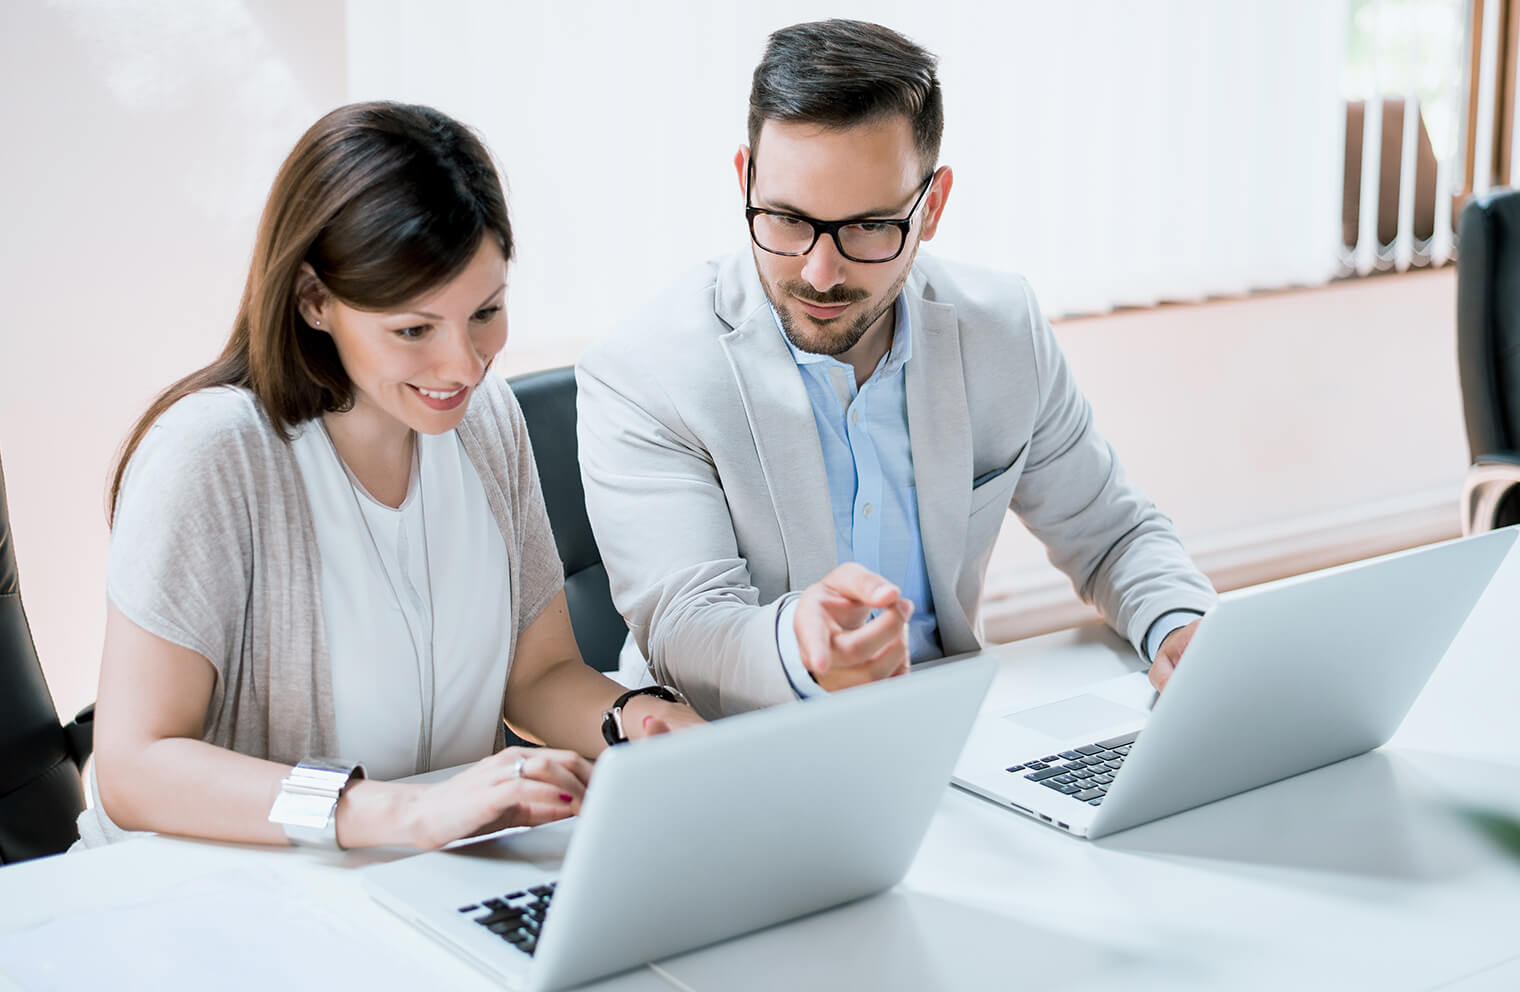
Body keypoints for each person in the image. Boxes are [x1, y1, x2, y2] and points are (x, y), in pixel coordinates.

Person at [84, 102, 701, 852]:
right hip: (218, 903)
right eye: (414, 330)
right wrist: (391, 814)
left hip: (422, 882)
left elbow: (539, 675)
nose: (463, 364)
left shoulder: (487, 422)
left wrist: (637, 719)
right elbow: (134, 764)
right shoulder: (214, 455)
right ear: (315, 301)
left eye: (486, 312)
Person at [575, 20, 1218, 719]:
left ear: (931, 206)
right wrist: (799, 644)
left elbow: (1112, 534)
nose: (820, 273)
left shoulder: (1000, 329)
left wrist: (1178, 623)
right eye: (787, 219)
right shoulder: (646, 369)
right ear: (745, 179)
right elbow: (686, 629)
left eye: (868, 227)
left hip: (948, 735)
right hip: (738, 747)